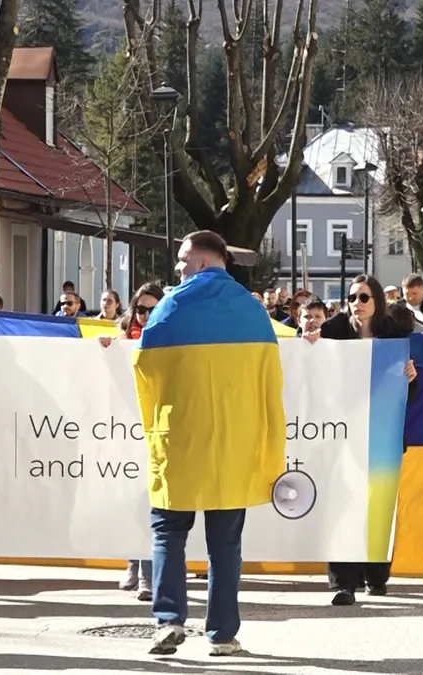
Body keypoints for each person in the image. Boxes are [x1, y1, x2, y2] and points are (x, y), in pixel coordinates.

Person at [134, 230, 285, 657]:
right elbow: (270, 382)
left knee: (167, 533)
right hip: (232, 447)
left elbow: (147, 374)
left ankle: (168, 621)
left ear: (202, 262)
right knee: (225, 544)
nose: (178, 268)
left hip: (180, 441)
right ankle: (221, 635)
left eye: (183, 260)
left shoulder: (170, 306)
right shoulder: (254, 314)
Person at [304, 275, 417, 604]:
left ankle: (376, 575)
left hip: (381, 434)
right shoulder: (333, 331)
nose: (357, 302)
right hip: (339, 434)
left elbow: (407, 394)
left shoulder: (395, 336)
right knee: (341, 504)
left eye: (365, 297)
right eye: (353, 297)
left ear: (378, 300)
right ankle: (342, 582)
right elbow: (309, 372)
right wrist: (309, 346)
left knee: (378, 502)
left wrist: (411, 377)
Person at [98, 282, 165, 601]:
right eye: (141, 309)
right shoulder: (122, 340)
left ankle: (148, 576)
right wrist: (108, 349)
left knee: (149, 502)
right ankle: (133, 563)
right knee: (131, 501)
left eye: (154, 309)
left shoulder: (171, 338)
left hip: (160, 429)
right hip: (126, 430)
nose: (147, 315)